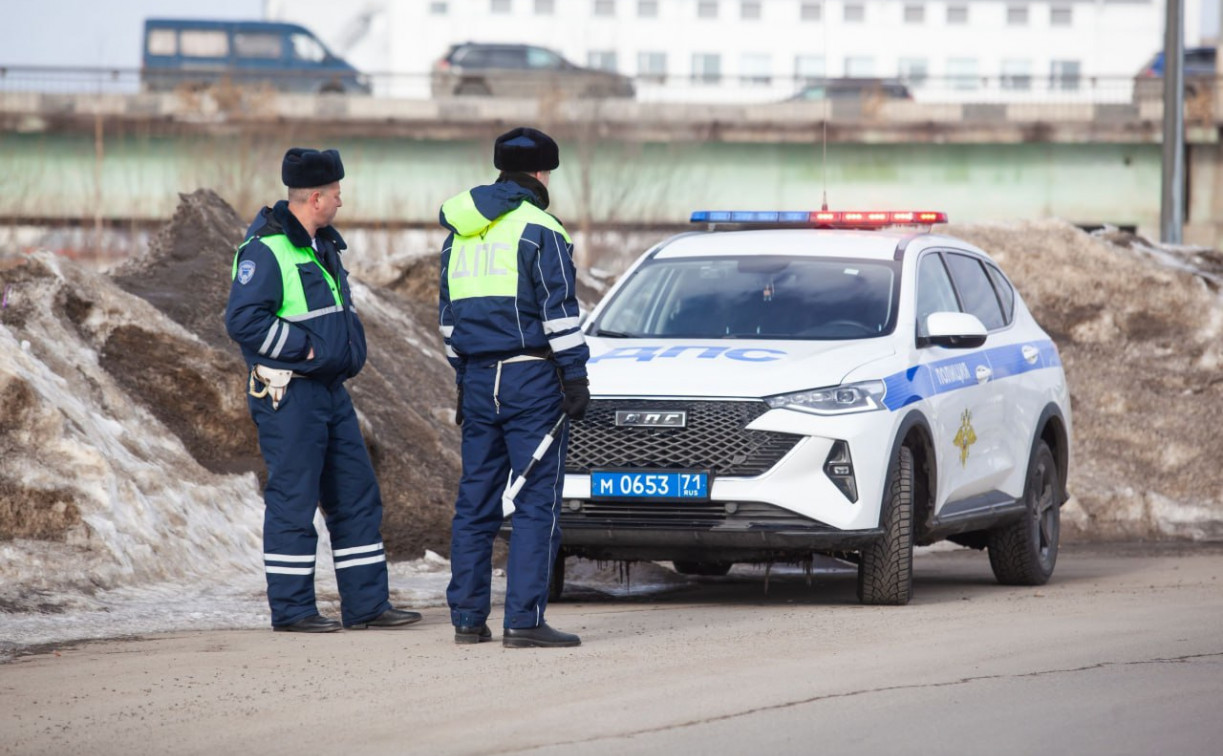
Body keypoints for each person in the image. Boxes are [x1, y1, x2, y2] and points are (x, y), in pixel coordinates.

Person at [225, 147, 421, 633]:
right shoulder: (265, 250)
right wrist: (304, 349)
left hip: (330, 392)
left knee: (356, 494)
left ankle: (367, 606)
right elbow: (244, 321)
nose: (341, 201)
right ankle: (293, 611)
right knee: (294, 500)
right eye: (336, 193)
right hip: (289, 394)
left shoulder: (322, 246)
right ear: (315, 198)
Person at [438, 127, 590, 648]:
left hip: (480, 379)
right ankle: (524, 621)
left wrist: (464, 379)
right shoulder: (541, 229)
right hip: (530, 379)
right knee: (534, 503)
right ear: (541, 174)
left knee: (475, 502)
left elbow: (448, 322)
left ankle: (466, 620)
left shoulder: (460, 233)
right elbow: (560, 313)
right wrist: (575, 376)